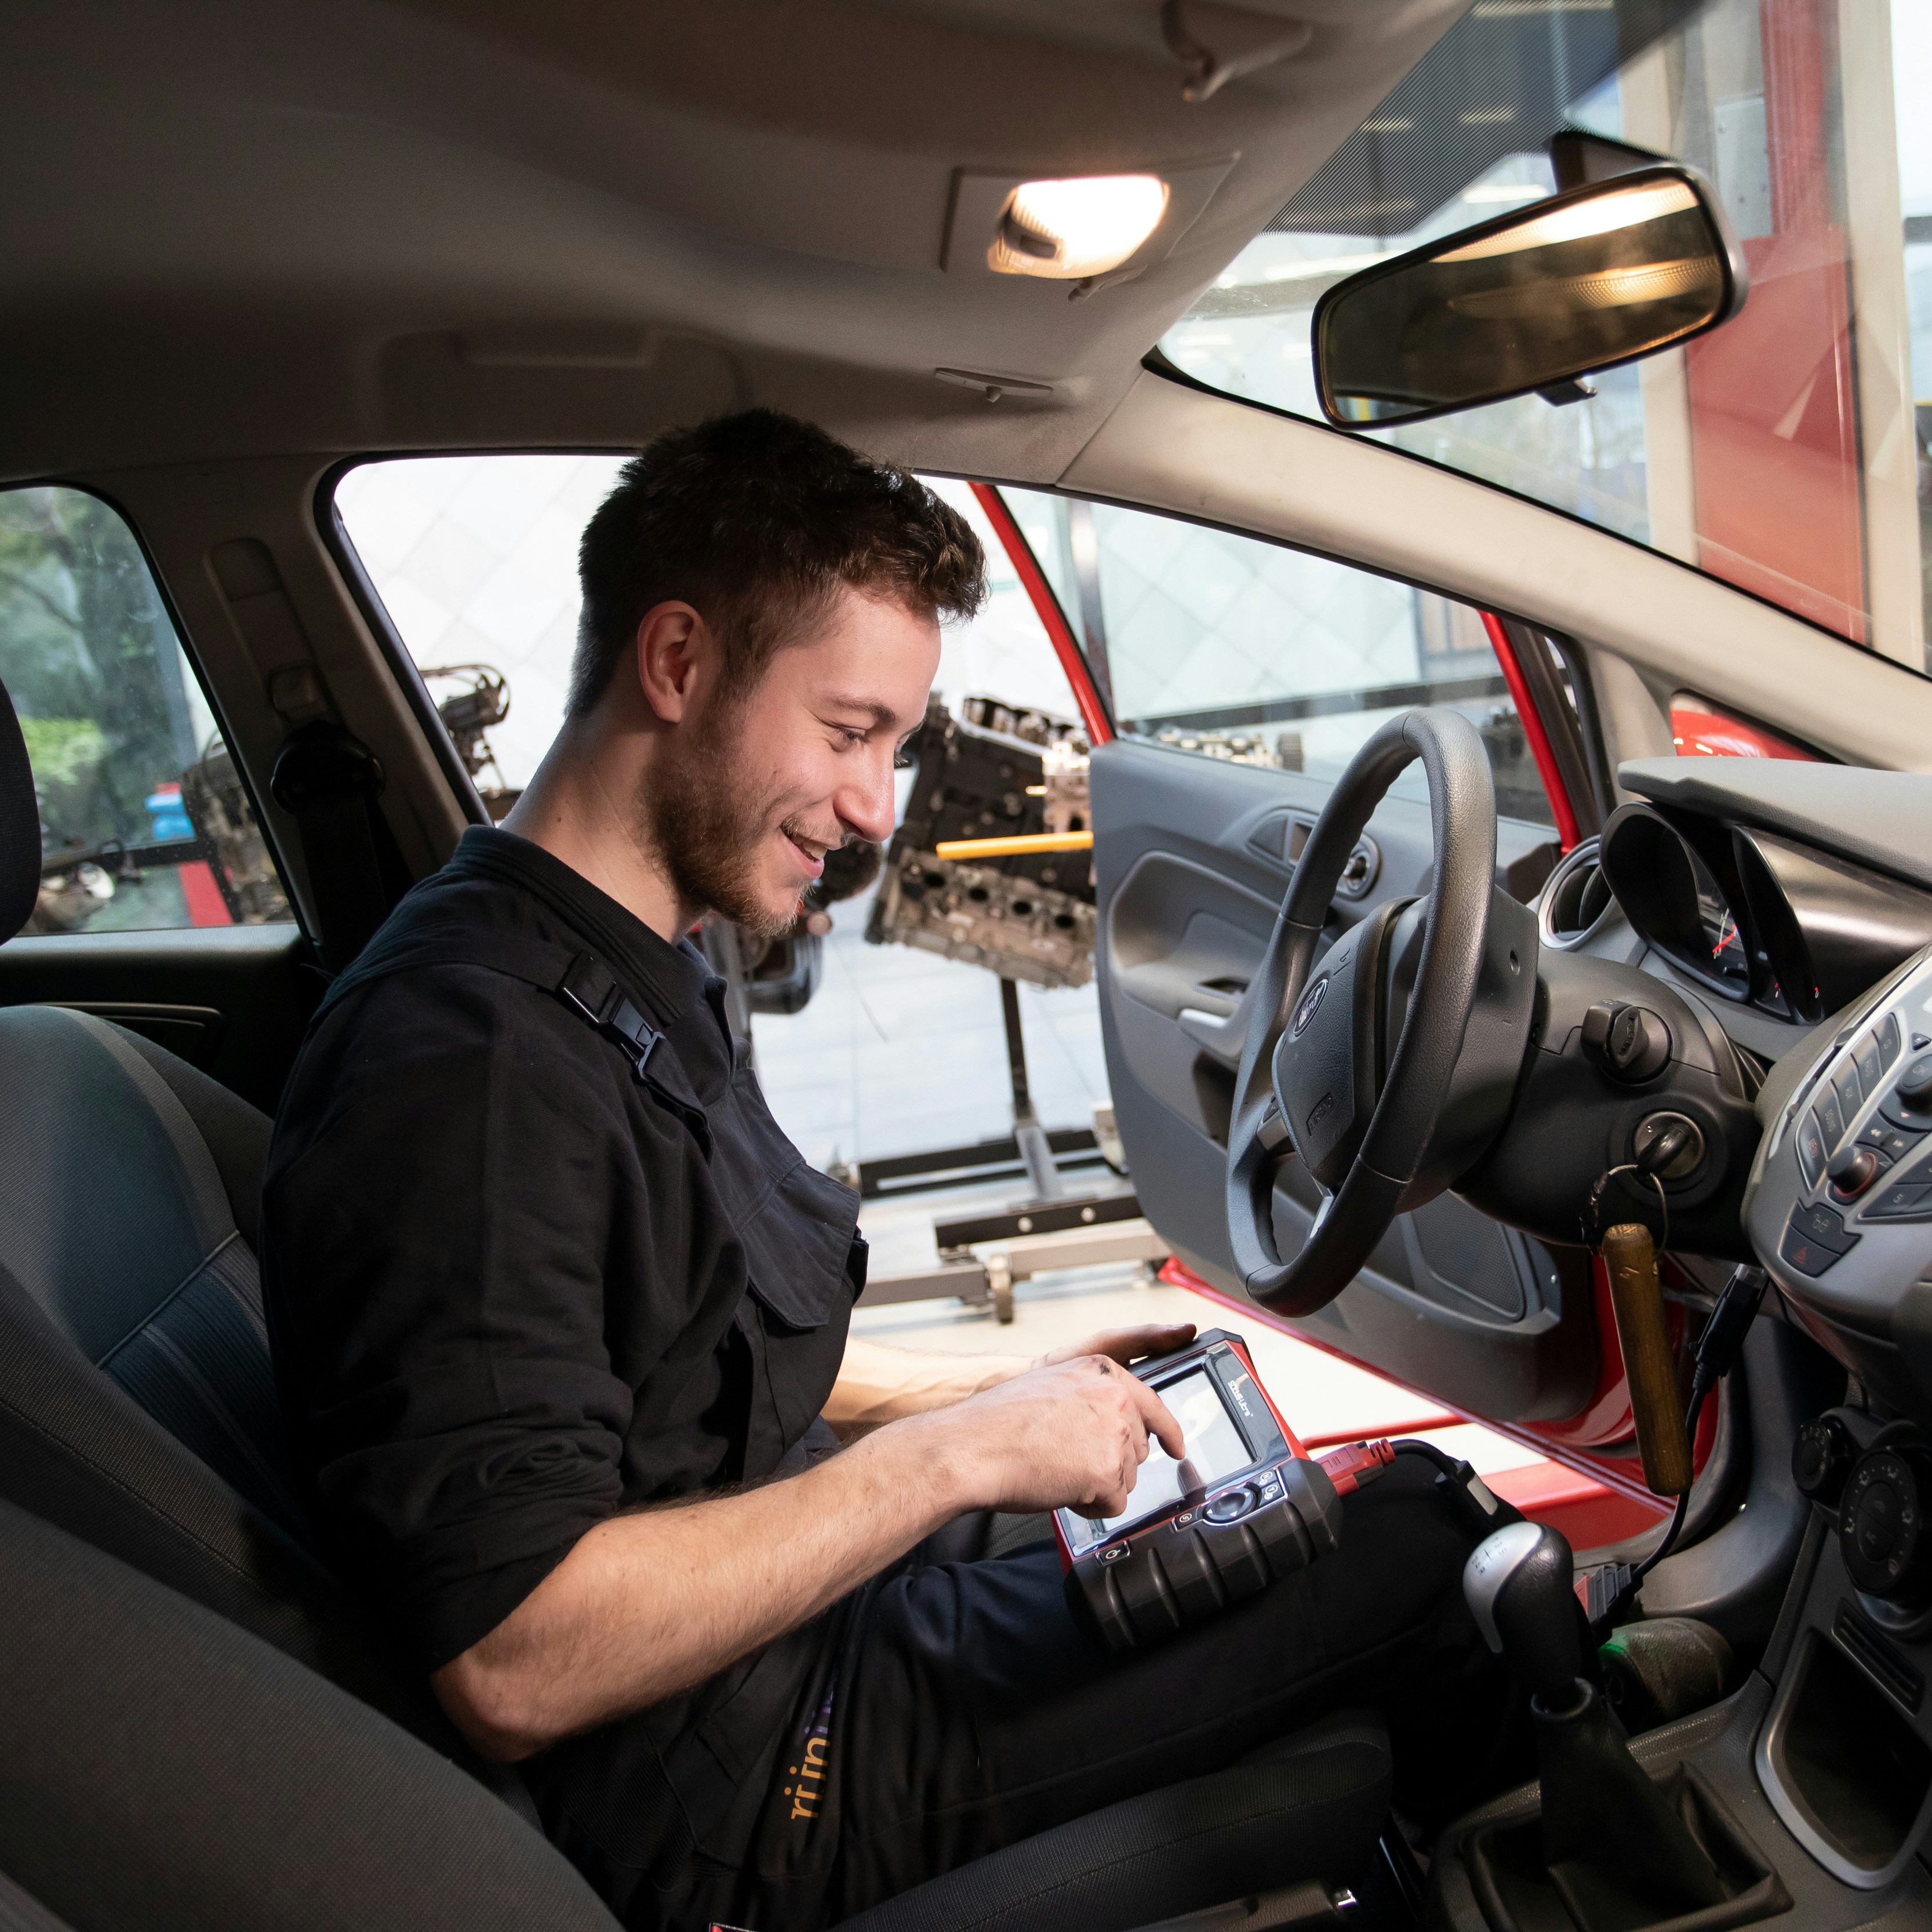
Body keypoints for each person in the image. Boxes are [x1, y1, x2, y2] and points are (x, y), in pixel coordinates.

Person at [261, 410, 1508, 1932]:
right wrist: (953, 1461)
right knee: (1430, 1546)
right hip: (737, 1788)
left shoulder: (618, 963)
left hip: (789, 1632)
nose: (877, 809)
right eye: (848, 733)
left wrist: (986, 1391)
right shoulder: (477, 1075)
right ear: (677, 665)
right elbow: (518, 1655)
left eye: (895, 748)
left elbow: (691, 1340)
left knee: (1284, 1496)